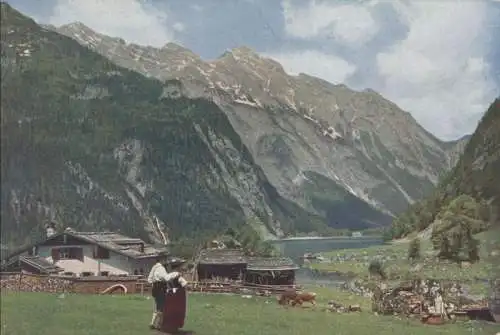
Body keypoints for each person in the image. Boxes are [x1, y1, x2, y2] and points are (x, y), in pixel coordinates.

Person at [147, 257, 174, 330]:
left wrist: (154, 282)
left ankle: (153, 323)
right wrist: (174, 274)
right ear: (162, 260)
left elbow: (149, 279)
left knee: (157, 306)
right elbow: (166, 278)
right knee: (161, 307)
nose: (166, 261)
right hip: (161, 288)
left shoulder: (154, 267)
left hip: (155, 288)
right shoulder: (161, 268)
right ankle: (159, 324)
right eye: (165, 260)